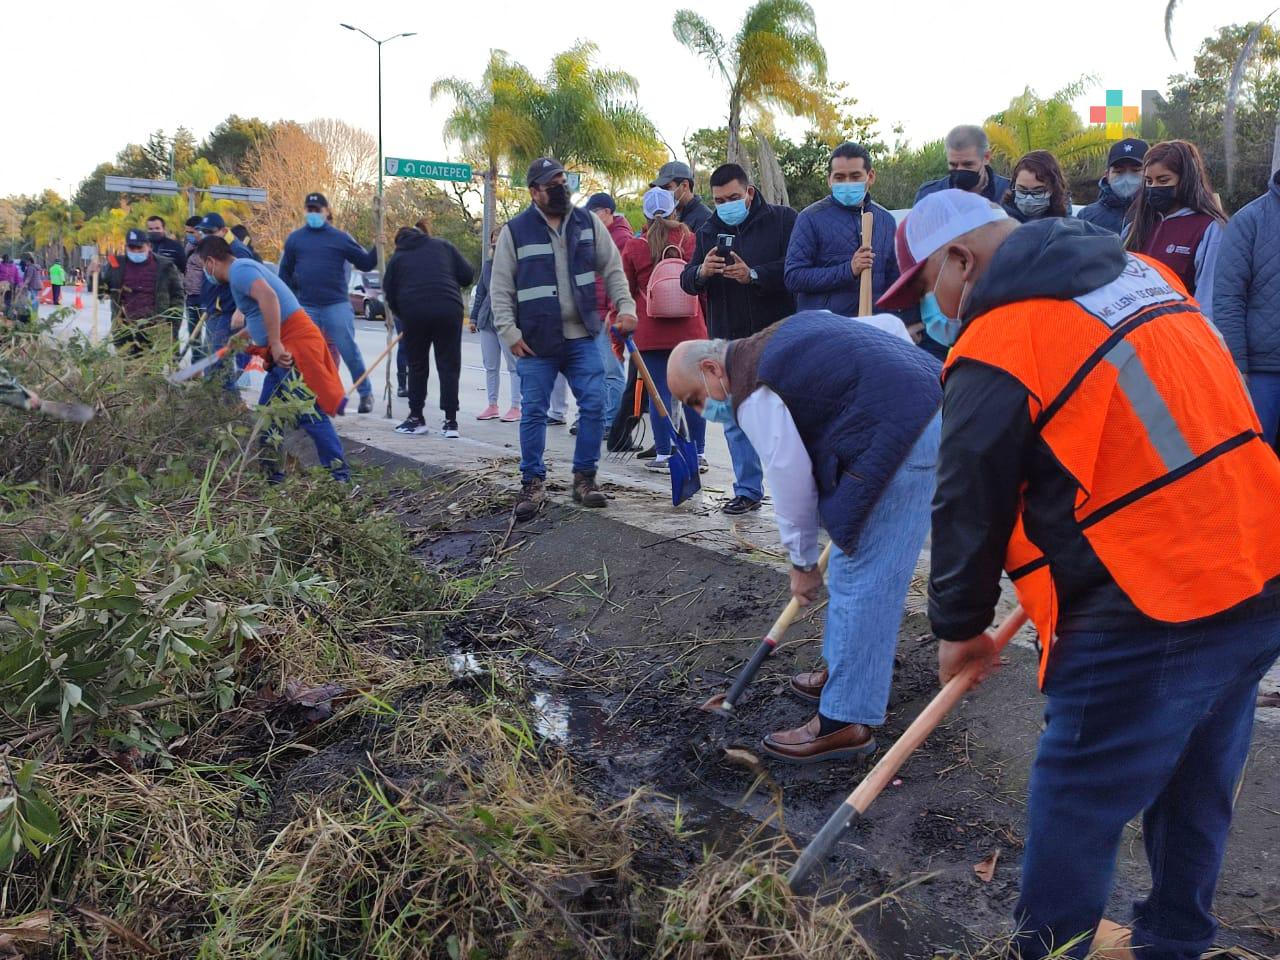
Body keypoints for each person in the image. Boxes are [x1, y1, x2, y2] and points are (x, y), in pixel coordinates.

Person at [878, 188, 1280, 960]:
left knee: (1078, 799)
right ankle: (1172, 941)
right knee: (1197, 781)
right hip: (1255, 563)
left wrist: (959, 630)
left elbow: (969, 500)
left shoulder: (1002, 338)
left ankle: (1049, 951)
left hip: (1152, 598)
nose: (936, 307)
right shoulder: (1142, 275)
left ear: (960, 260)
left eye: (929, 284)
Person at [667, 312, 941, 761]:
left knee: (862, 576)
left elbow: (791, 480)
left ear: (713, 369)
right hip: (926, 405)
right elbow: (889, 326)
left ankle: (843, 723)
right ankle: (845, 674)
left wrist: (802, 563)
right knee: (861, 568)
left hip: (908, 434)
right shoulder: (778, 333)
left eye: (697, 399)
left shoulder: (752, 388)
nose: (705, 412)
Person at [489, 157, 637, 521]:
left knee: (593, 405)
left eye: (562, 180)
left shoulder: (587, 223)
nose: (560, 187)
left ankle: (585, 479)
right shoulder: (515, 231)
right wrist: (509, 332)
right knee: (534, 411)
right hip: (536, 341)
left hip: (582, 335)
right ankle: (532, 482)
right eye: (551, 182)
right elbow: (500, 287)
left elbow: (613, 268)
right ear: (534, 191)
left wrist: (626, 306)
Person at [680, 162, 797, 515]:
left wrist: (755, 275)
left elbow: (795, 268)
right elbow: (687, 278)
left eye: (733, 197)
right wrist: (703, 272)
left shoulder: (782, 220)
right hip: (728, 339)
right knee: (734, 418)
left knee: (789, 418)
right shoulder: (707, 229)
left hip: (778, 336)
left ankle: (801, 494)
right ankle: (747, 490)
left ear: (749, 192)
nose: (726, 204)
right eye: (718, 199)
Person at [197, 236, 349, 482]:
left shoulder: (240, 271)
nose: (205, 272)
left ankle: (339, 477)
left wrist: (276, 343)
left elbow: (270, 299)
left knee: (309, 413)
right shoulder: (243, 270)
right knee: (268, 419)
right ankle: (272, 478)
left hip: (293, 347)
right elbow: (259, 313)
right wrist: (243, 337)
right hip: (288, 347)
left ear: (211, 262)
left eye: (203, 265)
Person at [619, 186, 709, 474]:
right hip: (691, 328)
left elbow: (626, 291)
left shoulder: (635, 246)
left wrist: (618, 333)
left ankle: (663, 454)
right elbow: (702, 286)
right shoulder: (690, 240)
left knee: (660, 393)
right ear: (674, 209)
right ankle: (699, 452)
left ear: (645, 215)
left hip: (651, 332)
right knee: (694, 393)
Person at [278, 192, 379, 414]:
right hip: (307, 306)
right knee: (305, 353)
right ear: (305, 212)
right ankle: (310, 397)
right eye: (310, 210)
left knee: (348, 349)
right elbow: (284, 273)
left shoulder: (340, 238)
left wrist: (377, 247)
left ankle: (365, 393)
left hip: (336, 305)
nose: (313, 214)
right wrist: (289, 301)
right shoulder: (295, 239)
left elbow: (365, 263)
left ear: (326, 212)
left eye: (317, 210)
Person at [784, 141, 901, 316]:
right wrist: (849, 270)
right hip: (826, 330)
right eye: (839, 177)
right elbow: (794, 277)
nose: (847, 183)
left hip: (871, 329)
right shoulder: (810, 218)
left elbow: (894, 280)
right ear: (829, 180)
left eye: (855, 176)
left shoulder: (886, 221)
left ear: (870, 176)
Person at [381, 224, 475, 437]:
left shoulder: (398, 257)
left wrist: (402, 314)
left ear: (399, 242)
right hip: (449, 310)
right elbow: (467, 275)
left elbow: (389, 292)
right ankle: (451, 422)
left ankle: (417, 418)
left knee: (417, 365)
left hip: (415, 313)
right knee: (449, 365)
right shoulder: (442, 245)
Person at [1123, 139, 1228, 319]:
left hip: (1180, 334)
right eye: (1149, 181)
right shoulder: (1135, 227)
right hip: (1135, 334)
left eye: (1163, 180)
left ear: (1186, 180)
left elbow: (1207, 300)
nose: (1154, 187)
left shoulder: (1209, 228)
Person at [1215, 167, 1280, 444]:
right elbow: (1229, 297)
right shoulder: (1249, 220)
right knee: (1256, 460)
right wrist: (1236, 363)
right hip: (1262, 371)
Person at [583, 192, 633, 434]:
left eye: (594, 212)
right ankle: (603, 418)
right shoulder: (598, 237)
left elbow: (619, 281)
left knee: (612, 370)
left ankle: (612, 422)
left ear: (606, 211)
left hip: (610, 315)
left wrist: (613, 313)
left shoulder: (621, 238)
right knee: (600, 369)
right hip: (596, 312)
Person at [100, 228, 184, 354]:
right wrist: (93, 275)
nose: (136, 252)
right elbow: (101, 292)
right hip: (125, 330)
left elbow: (177, 296)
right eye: (131, 248)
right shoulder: (116, 264)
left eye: (140, 248)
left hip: (155, 329)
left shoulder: (165, 266)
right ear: (126, 247)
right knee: (128, 370)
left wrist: (173, 325)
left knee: (151, 370)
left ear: (149, 246)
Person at [197, 213, 255, 389]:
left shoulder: (237, 251)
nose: (205, 235)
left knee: (219, 363)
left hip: (230, 313)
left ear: (223, 230)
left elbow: (249, 282)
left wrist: (240, 310)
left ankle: (230, 404)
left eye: (210, 231)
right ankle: (219, 404)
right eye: (203, 231)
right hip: (215, 311)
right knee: (213, 362)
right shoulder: (214, 248)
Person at [470, 228, 521, 423]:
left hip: (508, 320)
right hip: (486, 320)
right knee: (490, 366)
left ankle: (516, 406)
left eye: (500, 239)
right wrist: (474, 318)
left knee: (514, 366)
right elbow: (481, 293)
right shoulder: (488, 265)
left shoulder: (517, 265)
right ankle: (492, 405)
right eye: (493, 239)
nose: (495, 242)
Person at [914, 125, 1012, 206]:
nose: (960, 170)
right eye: (953, 165)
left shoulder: (1009, 192)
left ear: (986, 157)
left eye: (968, 164)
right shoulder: (929, 195)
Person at [1076, 138, 1147, 235]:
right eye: (1118, 172)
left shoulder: (1158, 215)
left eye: (1135, 170)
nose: (1127, 178)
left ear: (1149, 173)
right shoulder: (1086, 216)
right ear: (1107, 175)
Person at [1001, 150, 1071, 222]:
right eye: (1022, 190)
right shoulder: (1000, 221)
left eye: (1037, 192)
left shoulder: (1068, 226)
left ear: (1053, 189)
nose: (1028, 199)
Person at [651, 161, 712, 234]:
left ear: (685, 185)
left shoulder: (705, 219)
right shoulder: (666, 214)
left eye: (667, 187)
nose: (663, 193)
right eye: (661, 189)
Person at [180, 215, 206, 359]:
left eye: (191, 232)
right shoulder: (189, 246)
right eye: (187, 232)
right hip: (191, 297)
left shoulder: (210, 248)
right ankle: (196, 368)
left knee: (209, 336)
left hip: (206, 298)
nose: (189, 235)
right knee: (194, 336)